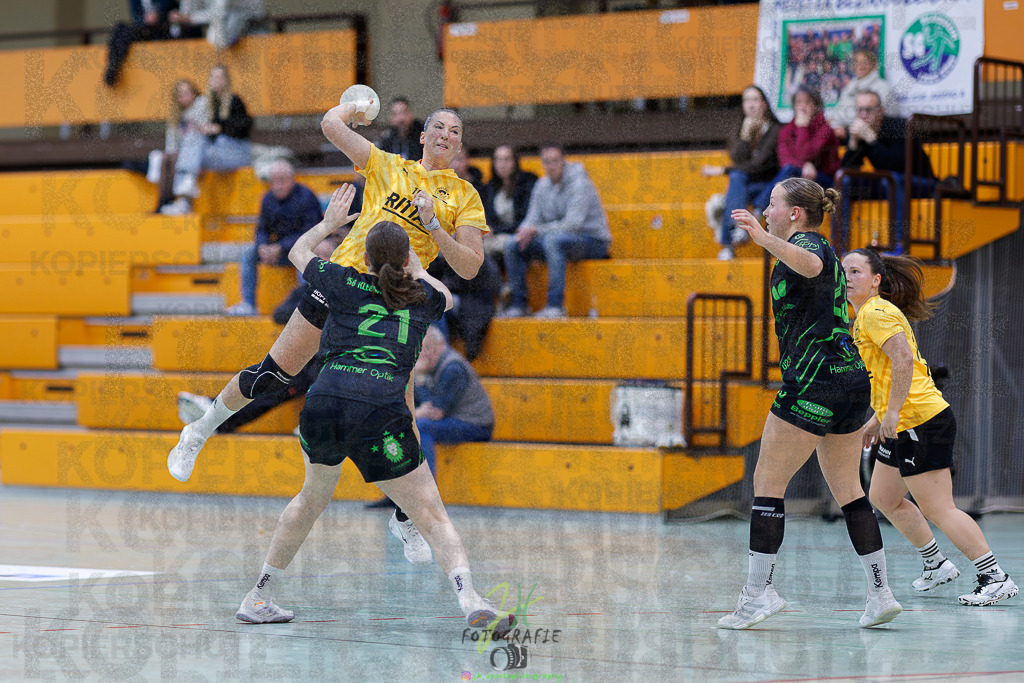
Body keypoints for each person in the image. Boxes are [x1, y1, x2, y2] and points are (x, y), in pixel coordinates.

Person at [167, 99, 488, 558]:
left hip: (396, 301)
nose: (445, 134)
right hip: (343, 284)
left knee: (404, 410)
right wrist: (352, 106)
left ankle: (406, 518)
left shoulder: (465, 196)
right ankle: (198, 432)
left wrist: (436, 227)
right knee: (273, 374)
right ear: (422, 135)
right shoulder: (386, 165)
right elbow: (329, 125)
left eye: (454, 131)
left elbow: (471, 266)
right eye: (438, 126)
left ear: (459, 143)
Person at [233, 187, 515, 638]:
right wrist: (421, 268)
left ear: (363, 259)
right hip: (379, 410)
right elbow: (449, 294)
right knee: (432, 515)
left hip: (323, 402)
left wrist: (329, 224)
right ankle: (471, 602)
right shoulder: (423, 297)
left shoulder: (342, 281)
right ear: (406, 261)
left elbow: (298, 252)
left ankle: (258, 596)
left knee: (310, 499)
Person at [717, 178, 901, 630]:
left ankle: (757, 595)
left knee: (767, 482)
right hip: (849, 383)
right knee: (849, 491)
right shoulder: (804, 246)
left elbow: (813, 264)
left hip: (814, 384)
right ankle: (881, 594)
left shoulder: (808, 244)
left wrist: (760, 240)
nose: (765, 210)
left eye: (773, 204)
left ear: (795, 213)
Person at [843, 248, 1018, 606]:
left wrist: (891, 413)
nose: (847, 276)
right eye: (843, 270)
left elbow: (905, 360)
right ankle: (935, 564)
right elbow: (894, 369)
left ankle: (995, 577)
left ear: (876, 280)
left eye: (856, 271)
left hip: (919, 420)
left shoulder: (875, 311)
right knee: (884, 497)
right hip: (903, 419)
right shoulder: (866, 315)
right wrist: (879, 416)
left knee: (940, 508)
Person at [500, 143, 610, 319]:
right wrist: (524, 231)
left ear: (563, 162)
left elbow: (573, 225)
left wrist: (536, 230)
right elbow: (532, 218)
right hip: (559, 239)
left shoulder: (580, 183)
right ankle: (519, 304)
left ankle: (555, 306)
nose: (551, 166)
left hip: (593, 241)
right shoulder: (542, 185)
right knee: (512, 244)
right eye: (546, 162)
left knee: (553, 241)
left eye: (555, 161)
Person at [836, 91, 935, 254]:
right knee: (845, 181)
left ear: (880, 111)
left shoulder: (900, 126)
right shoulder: (863, 131)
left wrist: (871, 140)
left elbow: (895, 165)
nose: (863, 115)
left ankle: (898, 244)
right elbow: (846, 170)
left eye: (868, 110)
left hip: (921, 182)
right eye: (859, 110)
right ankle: (839, 245)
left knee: (889, 179)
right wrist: (853, 143)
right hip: (891, 182)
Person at [226, 160, 323, 315]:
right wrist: (263, 246)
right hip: (277, 251)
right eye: (274, 181)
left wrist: (281, 246)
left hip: (300, 248)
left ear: (292, 179)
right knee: (248, 252)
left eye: (282, 181)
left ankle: (307, 306)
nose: (278, 186)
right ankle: (248, 304)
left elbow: (312, 232)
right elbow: (262, 229)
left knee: (306, 255)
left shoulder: (306, 197)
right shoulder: (267, 199)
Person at [702, 86, 782, 261]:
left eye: (755, 100)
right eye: (747, 100)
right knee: (736, 180)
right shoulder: (742, 127)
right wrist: (746, 136)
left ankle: (727, 244)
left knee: (735, 181)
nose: (751, 105)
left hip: (768, 185)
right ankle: (739, 227)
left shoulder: (775, 129)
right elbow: (736, 158)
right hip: (747, 185)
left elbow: (759, 165)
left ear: (764, 104)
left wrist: (722, 170)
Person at [160, 64, 252, 215]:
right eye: (213, 77)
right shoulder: (209, 105)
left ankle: (185, 192)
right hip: (218, 155)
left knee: (195, 141)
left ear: (226, 80)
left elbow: (244, 128)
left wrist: (219, 129)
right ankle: (184, 199)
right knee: (192, 137)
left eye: (220, 76)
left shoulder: (235, 101)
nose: (216, 80)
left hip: (237, 153)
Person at [414, 325, 495, 472]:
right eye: (420, 348)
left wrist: (420, 378)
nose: (424, 354)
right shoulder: (426, 365)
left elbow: (435, 412)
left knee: (421, 428)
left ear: (441, 345)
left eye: (429, 348)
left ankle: (426, 491)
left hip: (475, 425)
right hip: (451, 421)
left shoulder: (452, 367)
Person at [753, 87, 839, 214]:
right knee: (754, 188)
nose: (803, 107)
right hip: (797, 178)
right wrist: (805, 165)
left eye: (808, 102)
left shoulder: (824, 129)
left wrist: (802, 128)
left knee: (789, 175)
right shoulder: (786, 130)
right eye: (798, 103)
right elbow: (785, 160)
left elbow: (808, 153)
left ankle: (759, 210)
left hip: (824, 180)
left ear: (816, 106)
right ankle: (745, 224)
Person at [104, 1, 202, 87]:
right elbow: (135, 16)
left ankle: (114, 64)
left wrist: (158, 15)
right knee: (120, 28)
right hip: (145, 29)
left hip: (164, 29)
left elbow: (170, 8)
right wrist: (145, 20)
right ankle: (113, 65)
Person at [480, 145, 538, 264]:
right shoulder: (491, 186)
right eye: (498, 159)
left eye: (507, 159)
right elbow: (488, 217)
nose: (502, 164)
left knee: (487, 248)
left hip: (520, 235)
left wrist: (495, 230)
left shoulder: (528, 182)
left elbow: (525, 219)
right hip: (497, 236)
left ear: (515, 162)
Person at [154, 79, 205, 211]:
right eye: (180, 94)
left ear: (194, 93)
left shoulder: (201, 104)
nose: (184, 97)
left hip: (199, 149)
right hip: (182, 151)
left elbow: (201, 130)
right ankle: (164, 201)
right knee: (166, 158)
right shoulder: (175, 116)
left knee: (175, 159)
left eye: (187, 92)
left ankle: (175, 201)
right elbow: (171, 144)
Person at [830, 49, 892, 139]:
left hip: (875, 138)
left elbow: (886, 117)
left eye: (865, 62)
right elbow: (837, 116)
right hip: (847, 138)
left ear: (874, 64)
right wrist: (837, 127)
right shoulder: (848, 89)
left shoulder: (884, 88)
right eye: (857, 62)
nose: (860, 66)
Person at [172, 0, 266, 50]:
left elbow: (218, 12)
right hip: (229, 21)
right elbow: (187, 9)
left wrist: (190, 17)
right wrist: (180, 16)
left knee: (217, 36)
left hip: (253, 26)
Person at [376, 97, 425, 162]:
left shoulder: (423, 135)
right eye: (395, 114)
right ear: (391, 118)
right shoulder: (388, 137)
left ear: (411, 114)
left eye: (404, 113)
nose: (401, 119)